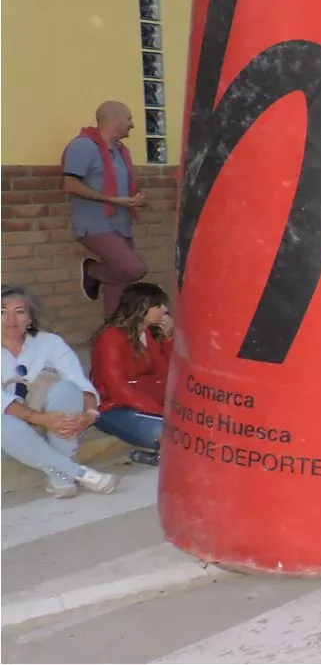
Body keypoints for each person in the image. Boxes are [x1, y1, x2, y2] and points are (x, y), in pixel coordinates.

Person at [1, 284, 120, 497]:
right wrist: (39, 418)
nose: (10, 320)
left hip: (52, 421)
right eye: (2, 312)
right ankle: (77, 473)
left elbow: (78, 380)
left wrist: (89, 414)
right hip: (11, 432)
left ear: (30, 318)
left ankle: (60, 477)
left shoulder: (49, 342)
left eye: (19, 312)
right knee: (3, 424)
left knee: (67, 389)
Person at [62, 102, 149, 317]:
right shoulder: (83, 146)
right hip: (95, 225)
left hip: (121, 224)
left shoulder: (120, 151)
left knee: (119, 283)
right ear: (115, 120)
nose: (132, 124)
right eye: (129, 119)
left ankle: (112, 332)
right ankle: (92, 271)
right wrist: (111, 200)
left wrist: (135, 200)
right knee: (134, 269)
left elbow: (120, 187)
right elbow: (70, 184)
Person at [88, 283, 174, 466]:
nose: (165, 310)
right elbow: (115, 386)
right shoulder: (110, 337)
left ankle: (161, 456)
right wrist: (157, 411)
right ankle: (160, 455)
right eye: (158, 306)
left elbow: (166, 373)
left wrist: (167, 338)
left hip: (145, 402)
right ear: (141, 308)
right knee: (168, 432)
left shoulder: (146, 334)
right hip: (113, 408)